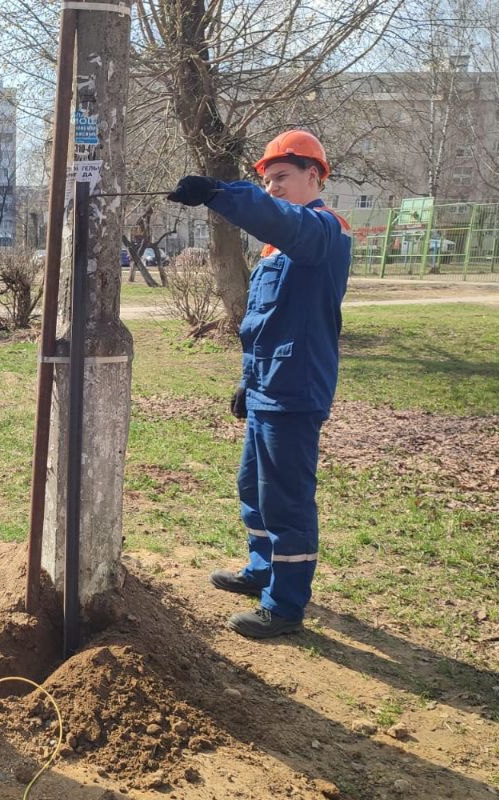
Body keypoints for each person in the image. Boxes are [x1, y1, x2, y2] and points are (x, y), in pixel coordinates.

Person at [166, 130, 352, 639]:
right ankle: (262, 570)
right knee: (254, 486)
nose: (272, 188)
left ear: (314, 176)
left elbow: (279, 217)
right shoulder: (277, 248)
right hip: (268, 384)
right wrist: (247, 383)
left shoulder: (321, 231)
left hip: (294, 391)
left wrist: (220, 193)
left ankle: (286, 605)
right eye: (266, 181)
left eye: (282, 178)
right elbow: (261, 325)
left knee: (286, 498)